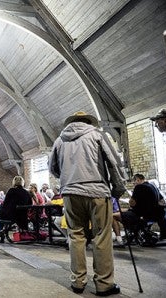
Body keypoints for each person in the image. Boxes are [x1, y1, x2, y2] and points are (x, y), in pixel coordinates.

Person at [49, 111, 126, 296]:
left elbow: (53, 168)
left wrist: (69, 178)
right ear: (88, 122)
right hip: (97, 191)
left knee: (76, 235)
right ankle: (104, 284)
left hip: (70, 193)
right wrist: (118, 188)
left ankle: (78, 282)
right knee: (101, 236)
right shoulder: (97, 134)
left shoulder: (59, 141)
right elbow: (113, 163)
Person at [121, 174, 166, 240]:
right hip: (158, 214)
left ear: (138, 180)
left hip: (145, 215)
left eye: (134, 182)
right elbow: (161, 200)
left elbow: (132, 203)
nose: (133, 184)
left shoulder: (139, 187)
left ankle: (133, 234)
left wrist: (130, 200)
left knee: (122, 215)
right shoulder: (153, 186)